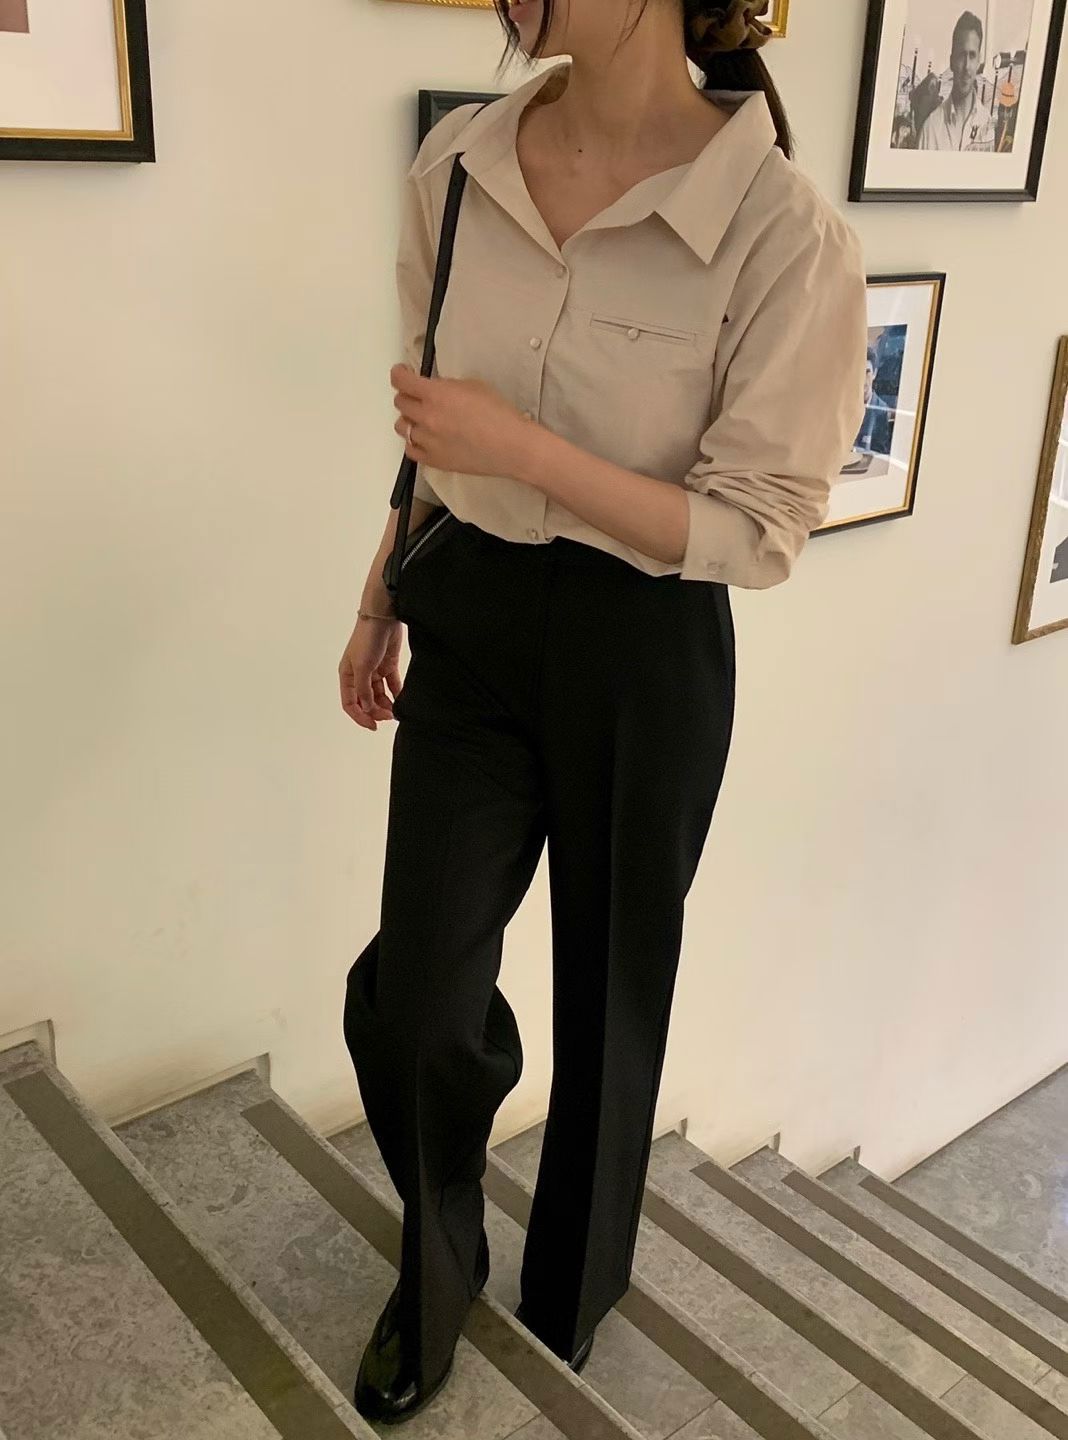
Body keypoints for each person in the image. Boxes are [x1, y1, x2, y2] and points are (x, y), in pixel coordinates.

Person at [337, 0, 868, 1423]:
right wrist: (380, 595)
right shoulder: (458, 166)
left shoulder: (781, 230)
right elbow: (431, 431)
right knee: (421, 998)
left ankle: (572, 1294)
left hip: (647, 643)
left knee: (615, 993)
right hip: (469, 609)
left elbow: (757, 530)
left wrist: (526, 449)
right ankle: (440, 1258)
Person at [918, 9, 996, 152]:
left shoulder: (988, 127)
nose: (966, 66)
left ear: (978, 61)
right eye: (961, 55)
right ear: (952, 61)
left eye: (972, 56)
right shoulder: (930, 129)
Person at [854, 346, 894, 457]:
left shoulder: (881, 411)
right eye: (859, 372)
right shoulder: (844, 406)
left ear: (874, 373)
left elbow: (880, 455)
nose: (863, 379)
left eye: (867, 372)